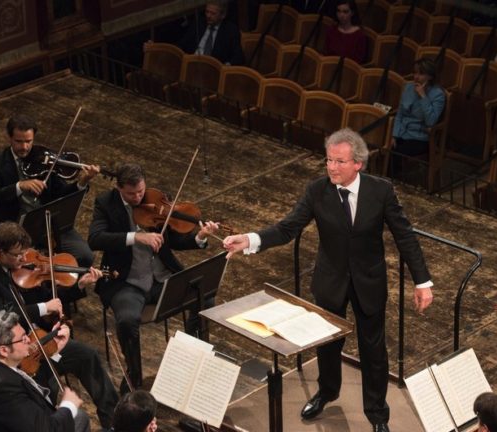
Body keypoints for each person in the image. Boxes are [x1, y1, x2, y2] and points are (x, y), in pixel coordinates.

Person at [222, 128, 434, 432]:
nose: (331, 167)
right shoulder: (316, 190)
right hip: (330, 280)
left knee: (373, 351)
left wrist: (422, 281)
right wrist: (251, 239)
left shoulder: (381, 191)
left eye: (339, 161)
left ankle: (377, 414)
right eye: (328, 160)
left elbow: (405, 237)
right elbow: (287, 228)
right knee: (327, 345)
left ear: (357, 164)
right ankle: (327, 391)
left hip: (368, 282)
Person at [0, 222, 119, 430]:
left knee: (87, 356)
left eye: (24, 253)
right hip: (15, 353)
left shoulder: (18, 267)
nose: (24, 260)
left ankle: (113, 422)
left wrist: (79, 285)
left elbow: (50, 300)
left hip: (38, 337)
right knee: (45, 388)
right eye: (17, 255)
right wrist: (41, 308)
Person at [88, 163, 220, 391]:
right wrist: (135, 237)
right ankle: (134, 376)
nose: (138, 197)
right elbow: (95, 238)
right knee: (128, 321)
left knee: (204, 295)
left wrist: (198, 237)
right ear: (119, 188)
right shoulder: (105, 203)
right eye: (131, 194)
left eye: (141, 190)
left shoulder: (156, 200)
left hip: (161, 277)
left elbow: (175, 241)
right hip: (126, 283)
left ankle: (192, 359)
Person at [0, 114, 98, 269]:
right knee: (19, 269)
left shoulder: (44, 158)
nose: (24, 147)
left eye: (28, 141)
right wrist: (19, 186)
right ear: (9, 138)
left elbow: (62, 192)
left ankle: (65, 290)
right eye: (19, 141)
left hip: (49, 223)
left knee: (84, 255)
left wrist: (82, 182)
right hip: (17, 227)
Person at [0, 311, 90, 432]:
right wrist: (68, 405)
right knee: (80, 418)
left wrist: (55, 348)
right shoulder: (2, 388)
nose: (29, 340)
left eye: (25, 334)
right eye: (22, 339)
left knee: (79, 417)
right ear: (4, 350)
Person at [390, 58, 446, 174]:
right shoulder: (408, 87)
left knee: (397, 153)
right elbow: (400, 114)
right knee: (385, 147)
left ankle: (394, 184)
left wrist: (423, 96)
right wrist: (394, 135)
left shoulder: (438, 95)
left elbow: (431, 121)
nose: (416, 76)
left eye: (421, 74)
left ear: (430, 76)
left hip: (420, 137)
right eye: (415, 73)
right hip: (402, 133)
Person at [174, 0, 244, 65]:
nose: (208, 16)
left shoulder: (230, 30)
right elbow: (183, 44)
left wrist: (226, 66)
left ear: (223, 15)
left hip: (213, 69)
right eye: (207, 12)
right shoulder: (199, 23)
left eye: (213, 13)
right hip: (192, 64)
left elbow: (238, 57)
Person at [323, 0, 367, 64]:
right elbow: (327, 53)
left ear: (352, 13)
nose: (341, 15)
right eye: (338, 11)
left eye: (345, 12)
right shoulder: (331, 30)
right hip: (331, 66)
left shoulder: (360, 35)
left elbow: (358, 61)